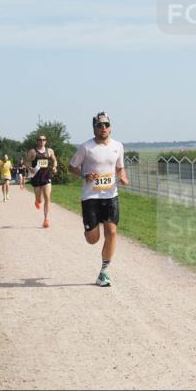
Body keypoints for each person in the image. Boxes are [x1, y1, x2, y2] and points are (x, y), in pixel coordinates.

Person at [69, 112, 128, 286]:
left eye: (106, 125)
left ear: (110, 127)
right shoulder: (86, 147)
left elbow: (119, 168)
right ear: (94, 128)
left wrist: (122, 176)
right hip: (91, 197)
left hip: (111, 195)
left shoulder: (118, 146)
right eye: (99, 125)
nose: (103, 128)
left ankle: (104, 272)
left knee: (111, 232)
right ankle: (89, 230)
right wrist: (85, 174)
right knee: (93, 239)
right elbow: (72, 167)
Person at [25, 135, 57, 228]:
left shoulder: (49, 151)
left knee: (47, 197)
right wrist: (29, 168)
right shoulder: (33, 151)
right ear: (37, 141)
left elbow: (54, 160)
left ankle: (46, 220)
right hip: (36, 177)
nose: (42, 141)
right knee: (39, 199)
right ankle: (37, 200)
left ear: (46, 141)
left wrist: (55, 166)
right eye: (40, 140)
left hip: (46, 176)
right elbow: (26, 162)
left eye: (43, 140)